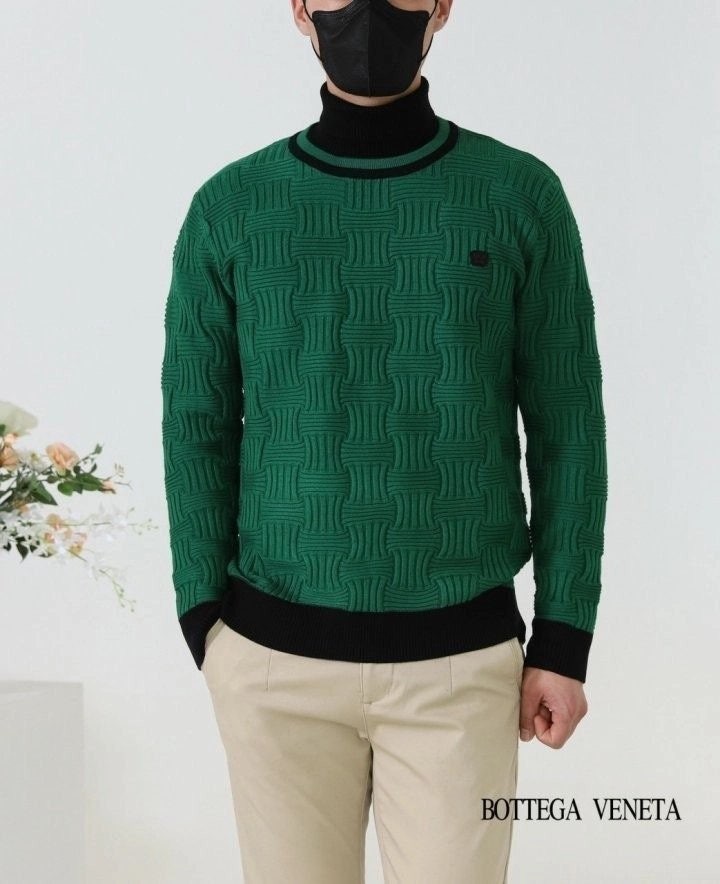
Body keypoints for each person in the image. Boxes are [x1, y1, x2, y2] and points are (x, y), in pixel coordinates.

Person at [160, 1, 608, 881]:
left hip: (461, 667)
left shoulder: (519, 196)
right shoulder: (232, 207)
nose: (368, 12)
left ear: (441, 7)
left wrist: (564, 638)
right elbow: (196, 423)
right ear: (300, 9)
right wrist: (204, 619)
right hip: (272, 665)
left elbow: (568, 428)